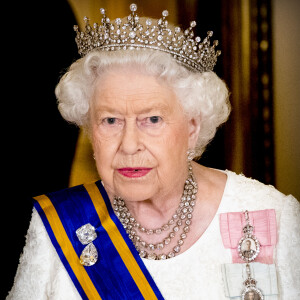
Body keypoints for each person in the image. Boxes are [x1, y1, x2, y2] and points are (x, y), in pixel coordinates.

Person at [7, 3, 300, 300]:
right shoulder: (55, 227)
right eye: (110, 120)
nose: (129, 144)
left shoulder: (273, 216)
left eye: (152, 119)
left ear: (192, 127)